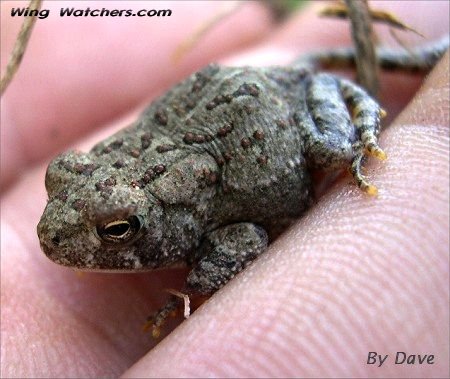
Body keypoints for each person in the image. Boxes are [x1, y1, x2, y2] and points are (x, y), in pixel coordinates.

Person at [1, 1, 448, 377]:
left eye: (116, 230)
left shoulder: (188, 219)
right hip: (224, 104)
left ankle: (359, 110)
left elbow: (246, 235)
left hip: (275, 113)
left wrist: (198, 285)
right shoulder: (148, 196)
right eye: (62, 179)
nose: (52, 231)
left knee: (334, 149)